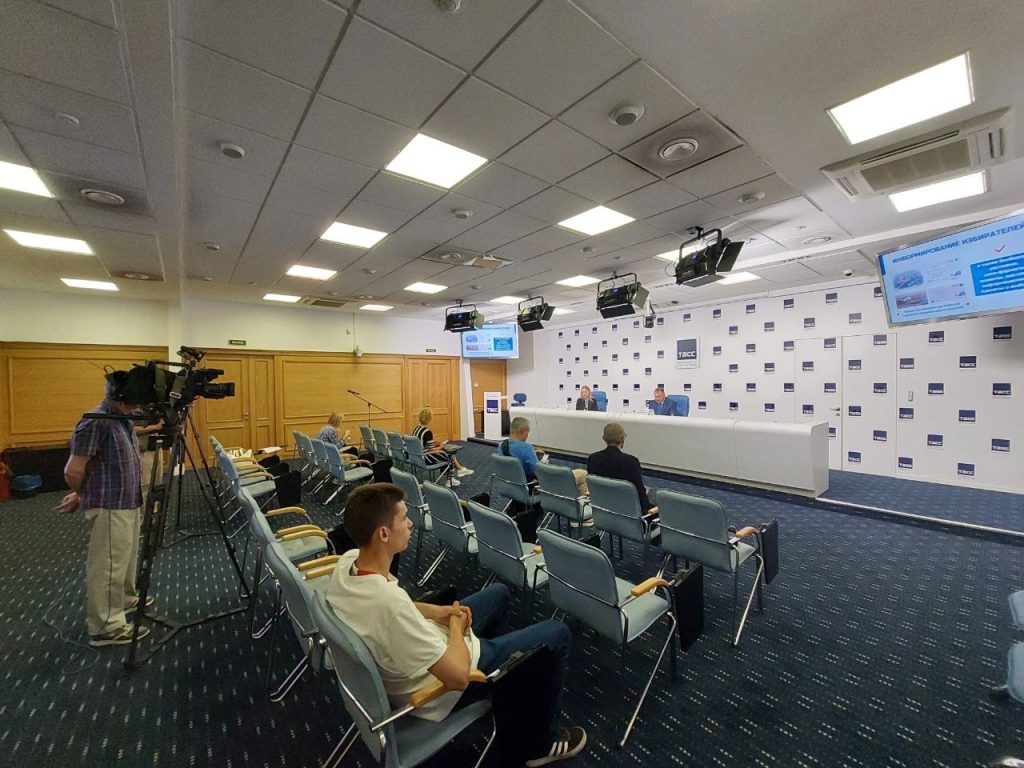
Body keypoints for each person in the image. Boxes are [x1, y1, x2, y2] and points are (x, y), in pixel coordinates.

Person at [56, 373, 159, 647]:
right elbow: (73, 470)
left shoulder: (120, 418)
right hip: (110, 504)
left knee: (125, 558)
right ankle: (106, 626)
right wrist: (81, 493)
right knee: (109, 565)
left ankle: (124, 599)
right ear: (124, 395)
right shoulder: (96, 420)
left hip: (127, 500)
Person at [500, 417, 588, 497]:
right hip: (533, 487)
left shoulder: (502, 445)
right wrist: (543, 463)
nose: (527, 436)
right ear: (523, 430)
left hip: (512, 486)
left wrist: (533, 455)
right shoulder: (526, 448)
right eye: (527, 432)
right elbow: (540, 473)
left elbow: (516, 459)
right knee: (582, 474)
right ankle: (580, 507)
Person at [586, 422, 658, 515]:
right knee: (656, 495)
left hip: (603, 512)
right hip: (631, 516)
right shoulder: (631, 462)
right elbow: (641, 497)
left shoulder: (593, 459)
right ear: (622, 439)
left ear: (604, 439)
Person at [411, 407, 473, 486]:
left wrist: (436, 444)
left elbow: (423, 443)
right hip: (425, 458)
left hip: (416, 456)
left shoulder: (416, 428)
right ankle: (450, 479)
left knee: (445, 452)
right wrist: (441, 446)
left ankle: (459, 469)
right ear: (429, 418)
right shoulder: (427, 431)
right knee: (448, 454)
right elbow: (431, 450)